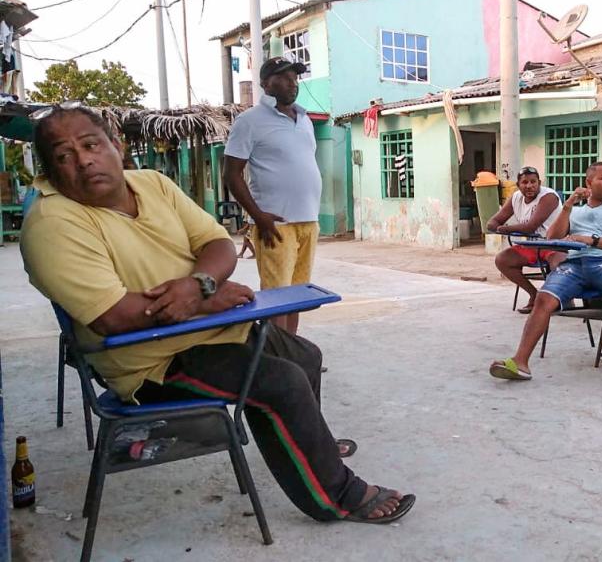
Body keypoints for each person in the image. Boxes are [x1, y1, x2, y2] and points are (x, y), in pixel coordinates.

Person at [22, 106, 414, 524]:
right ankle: (338, 496)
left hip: (207, 330)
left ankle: (308, 442)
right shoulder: (53, 223)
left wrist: (198, 286)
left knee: (305, 356)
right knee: (282, 385)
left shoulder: (152, 184)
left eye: (91, 144)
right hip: (151, 360)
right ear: (50, 172)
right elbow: (115, 318)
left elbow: (217, 243)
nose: (83, 160)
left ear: (117, 146)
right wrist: (207, 301)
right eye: (63, 156)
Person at [489, 161, 602, 380]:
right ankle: (520, 362)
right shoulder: (575, 211)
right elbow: (552, 237)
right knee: (544, 298)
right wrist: (568, 205)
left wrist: (591, 239)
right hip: (575, 264)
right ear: (589, 182)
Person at [224, 57, 323, 334]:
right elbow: (231, 174)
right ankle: (274, 357)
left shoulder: (304, 120)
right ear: (265, 83)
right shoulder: (249, 121)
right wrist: (258, 216)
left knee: (297, 295)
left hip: (308, 221)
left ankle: (291, 352)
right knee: (277, 296)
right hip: (274, 223)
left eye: (294, 77)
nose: (292, 83)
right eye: (283, 77)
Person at [486, 166, 565, 313]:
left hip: (553, 244)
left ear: (539, 183)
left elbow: (530, 226)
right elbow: (492, 222)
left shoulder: (548, 197)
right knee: (502, 260)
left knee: (560, 266)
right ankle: (534, 295)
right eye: (525, 182)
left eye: (533, 182)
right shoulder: (516, 197)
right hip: (530, 245)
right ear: (518, 185)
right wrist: (499, 226)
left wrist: (504, 228)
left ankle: (558, 300)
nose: (529, 186)